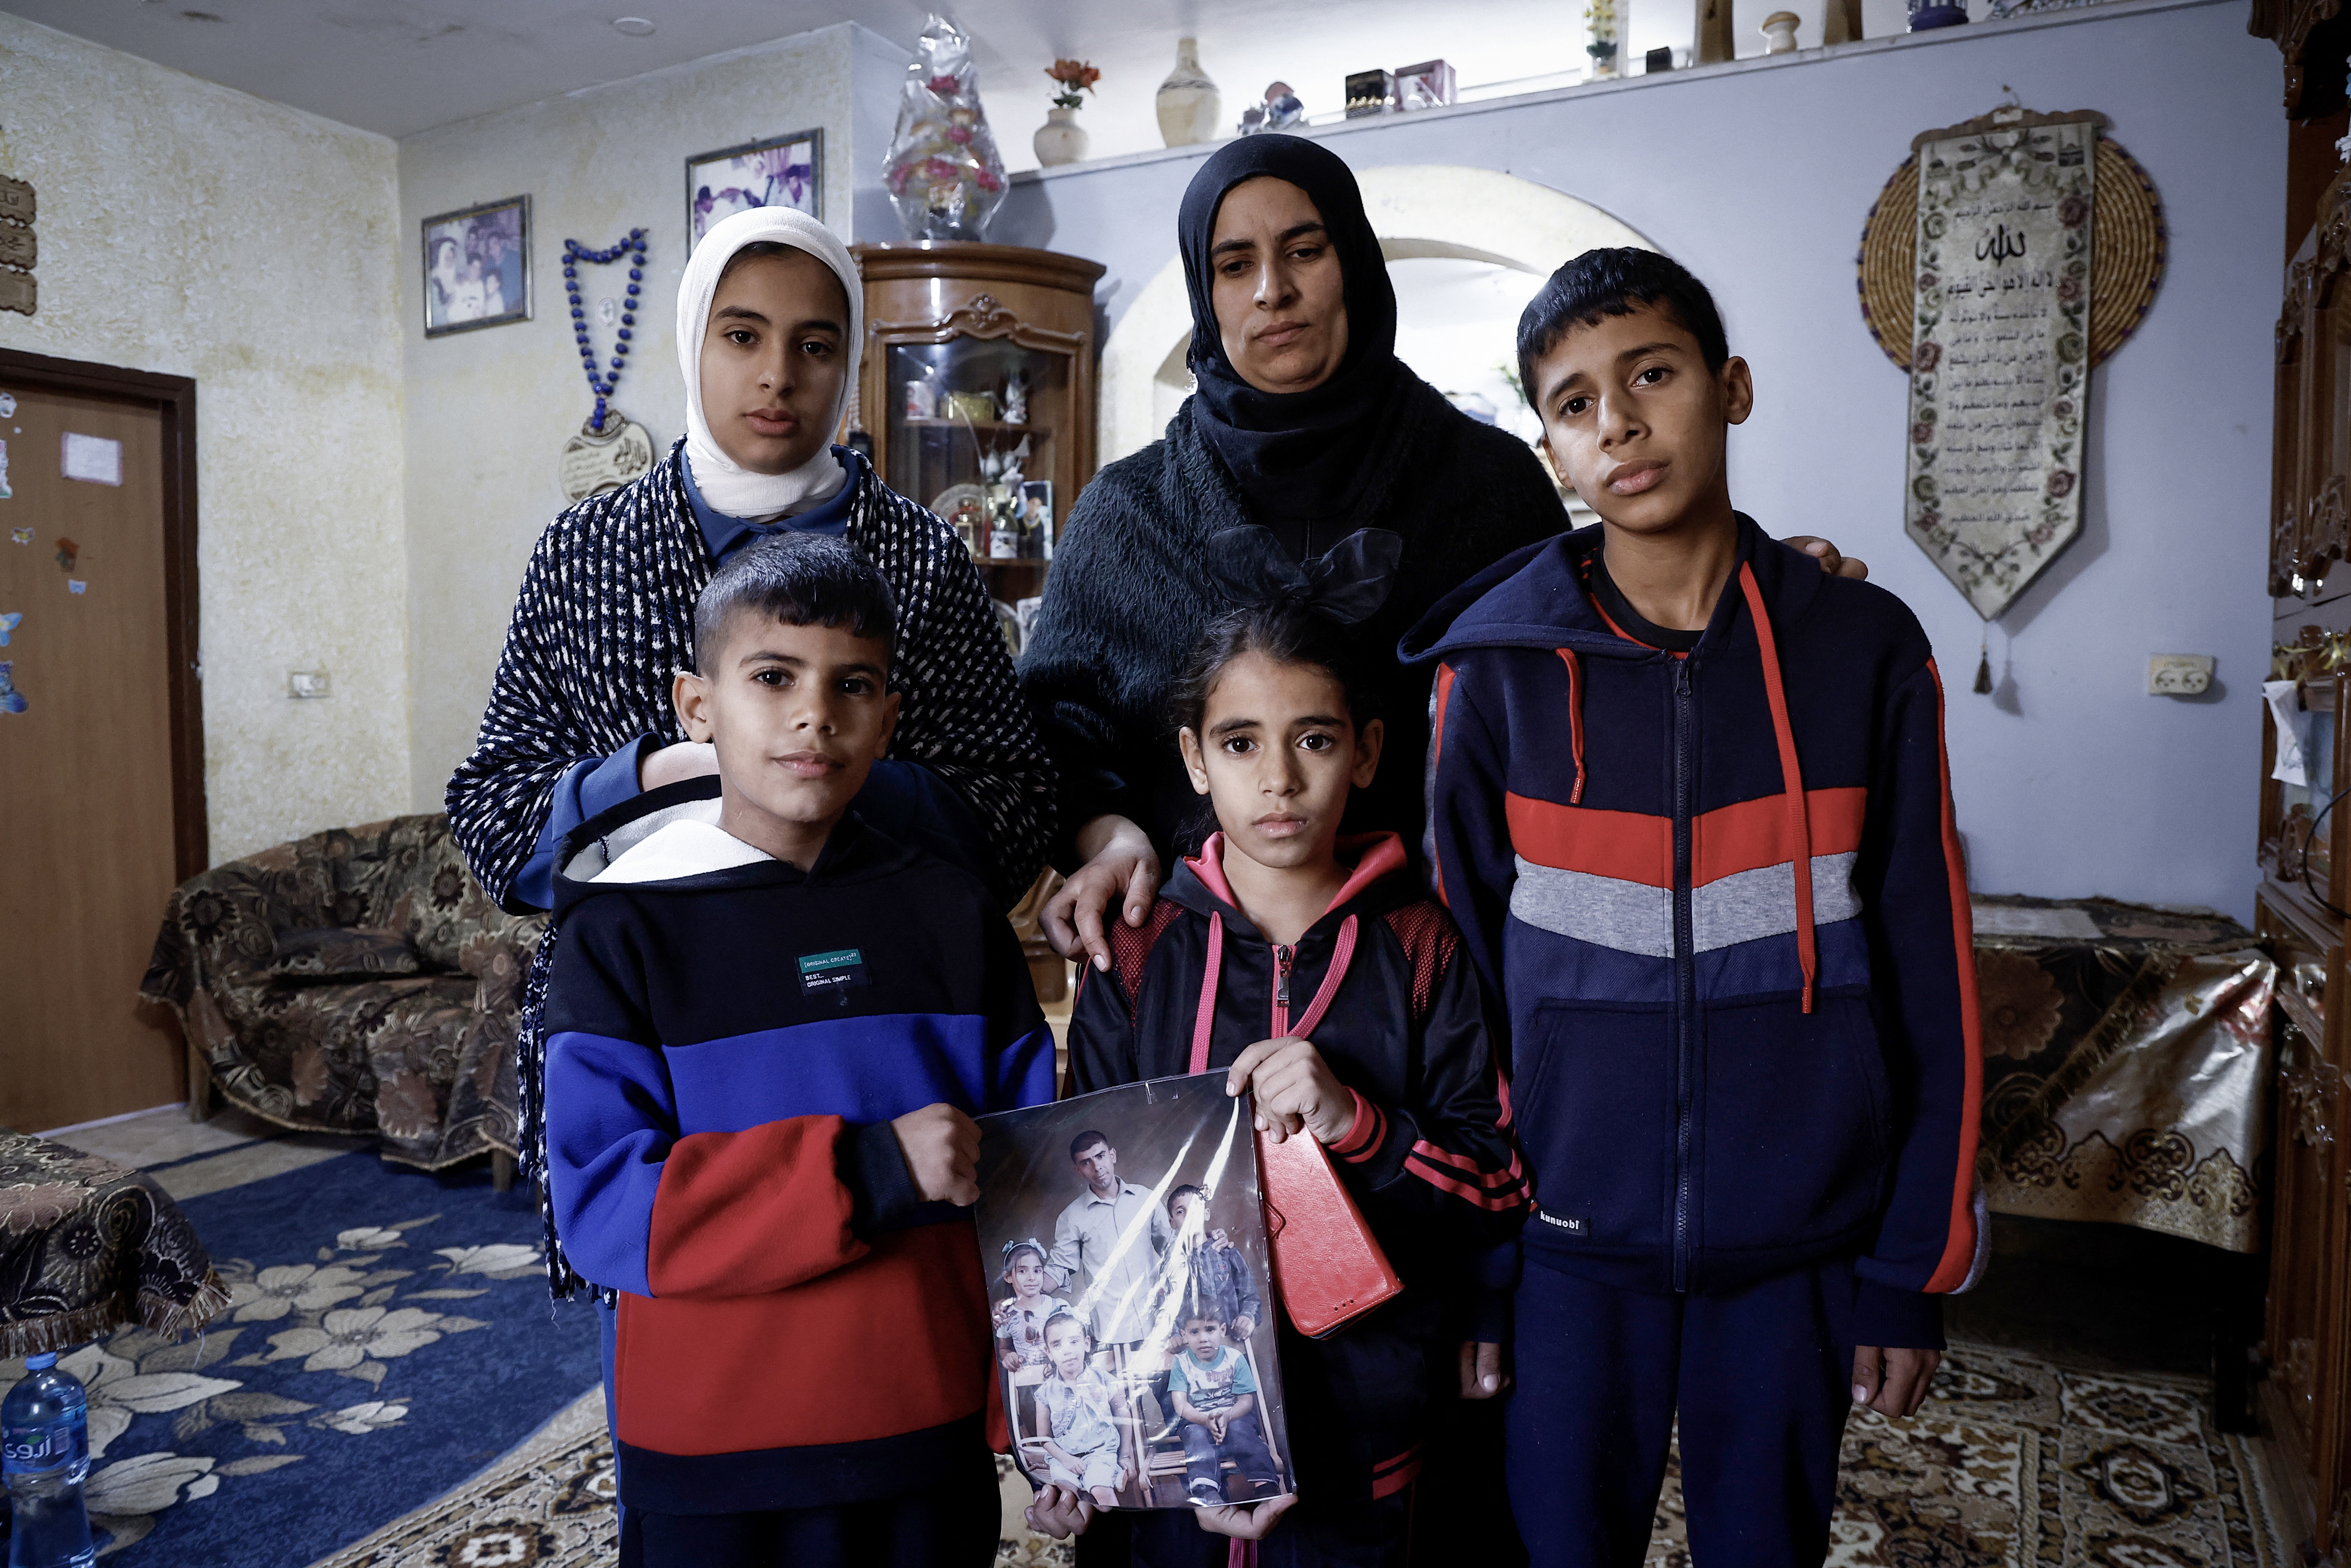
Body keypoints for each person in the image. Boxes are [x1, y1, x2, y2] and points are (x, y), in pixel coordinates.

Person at [1403, 248, 1984, 1568]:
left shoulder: (1862, 651)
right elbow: (1459, 1001)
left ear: (1727, 388)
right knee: (1559, 1547)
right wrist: (1479, 1266)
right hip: (1561, 1244)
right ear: (1548, 447)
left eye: (1649, 375)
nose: (1616, 422)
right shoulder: (1492, 675)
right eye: (1571, 402)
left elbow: (1928, 969)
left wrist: (1909, 1264)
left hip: (1796, 1242)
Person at [1017, 133, 1869, 980]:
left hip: (1450, 979)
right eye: (1234, 265)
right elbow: (1053, 722)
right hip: (1196, 976)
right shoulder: (1128, 513)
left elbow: (1602, 647)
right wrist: (1107, 830)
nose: (1273, 291)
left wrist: (1742, 581)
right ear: (1207, 296)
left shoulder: (1485, 481)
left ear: (1352, 259)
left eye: (1303, 251)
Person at [538, 532, 1057, 1568]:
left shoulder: (956, 915)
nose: (813, 714)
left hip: (922, 1424)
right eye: (772, 677)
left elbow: (1035, 1184)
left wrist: (1054, 1414)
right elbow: (601, 1211)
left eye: (851, 684)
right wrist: (867, 1167)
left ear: (887, 720)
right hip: (713, 1446)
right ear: (698, 708)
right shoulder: (618, 932)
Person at [1035, 599, 1527, 1566]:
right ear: (1191, 758)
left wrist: (1360, 1124)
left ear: (1368, 749)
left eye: (1313, 739)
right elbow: (1072, 1204)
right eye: (1239, 742)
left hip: (1364, 1408)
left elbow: (1495, 1182)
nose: (1278, 778)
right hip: (1162, 1421)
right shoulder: (1133, 953)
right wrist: (1066, 1415)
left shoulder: (1421, 947)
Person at [448, 203, 1051, 922]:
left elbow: (1014, 808)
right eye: (741, 336)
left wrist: (817, 782)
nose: (777, 376)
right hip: (636, 999)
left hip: (878, 982)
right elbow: (494, 816)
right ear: (690, 342)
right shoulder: (585, 552)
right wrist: (657, 776)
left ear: (850, 360)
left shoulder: (921, 555)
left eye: (816, 346)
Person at [1046, 1130, 1176, 1345]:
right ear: (1078, 1170)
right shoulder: (1072, 1217)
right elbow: (1060, 1267)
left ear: (1113, 1155)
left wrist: (1209, 1242)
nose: (1097, 1168)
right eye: (1086, 1163)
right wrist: (1022, 1294)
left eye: (1101, 1156)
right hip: (1109, 1334)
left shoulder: (1145, 1198)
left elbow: (1174, 1247)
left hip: (1158, 1323)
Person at [1165, 1308, 1280, 1507]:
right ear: (1184, 1335)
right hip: (1198, 1420)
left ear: (1223, 1330)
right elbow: (1181, 1406)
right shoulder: (1181, 1363)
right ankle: (1206, 1489)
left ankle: (1265, 1483)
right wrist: (1205, 1421)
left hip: (1234, 1416)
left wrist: (1227, 1417)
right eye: (1194, 1332)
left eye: (1210, 1329)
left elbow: (1246, 1401)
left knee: (1242, 1431)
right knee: (1194, 1436)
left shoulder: (1234, 1358)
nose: (1203, 1339)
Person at [1035, 1307, 1138, 1511]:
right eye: (1057, 1344)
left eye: (1074, 1341)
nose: (1067, 1350)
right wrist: (1066, 1459)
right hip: (1063, 1457)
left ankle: (1115, 1530)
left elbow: (1124, 1415)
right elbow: (1044, 1438)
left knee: (1102, 1495)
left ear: (1087, 1343)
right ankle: (1088, 1527)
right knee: (1068, 1496)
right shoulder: (1046, 1392)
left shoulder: (1103, 1380)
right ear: (1048, 1351)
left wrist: (1125, 1455)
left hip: (1100, 1452)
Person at [1157, 1185, 1260, 1345]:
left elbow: (1251, 1298)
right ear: (1172, 1223)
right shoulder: (1171, 1266)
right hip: (1190, 1353)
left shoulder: (1228, 1253)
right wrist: (1174, 1335)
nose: (1190, 1215)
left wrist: (1248, 1317)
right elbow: (1165, 1310)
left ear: (1206, 1214)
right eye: (1181, 1211)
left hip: (1232, 1347)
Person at [997, 1239, 1069, 1372]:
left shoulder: (1058, 1307)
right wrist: (1009, 1357)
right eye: (1023, 1271)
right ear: (1008, 1277)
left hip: (1062, 1376)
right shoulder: (1006, 1315)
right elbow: (1004, 1348)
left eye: (1037, 1271)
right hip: (1028, 1380)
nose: (1032, 1278)